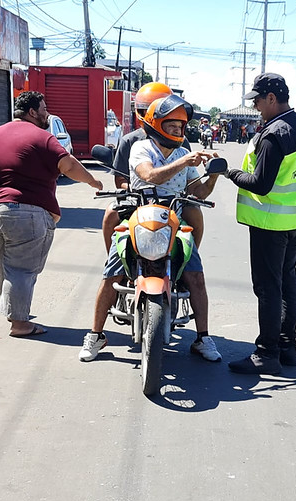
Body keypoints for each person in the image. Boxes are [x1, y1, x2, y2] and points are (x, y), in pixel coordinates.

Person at [81, 94, 221, 362]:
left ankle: (203, 337)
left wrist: (213, 173)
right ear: (156, 124)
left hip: (173, 223)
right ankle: (95, 334)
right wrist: (186, 161)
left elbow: (198, 192)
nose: (178, 130)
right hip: (138, 218)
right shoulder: (142, 149)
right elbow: (149, 176)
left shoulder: (182, 153)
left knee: (196, 275)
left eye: (181, 125)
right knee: (113, 273)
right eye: (172, 125)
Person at [0, 91, 104, 338]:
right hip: (24, 210)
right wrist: (92, 180)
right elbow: (68, 165)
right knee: (22, 268)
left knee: (4, 262)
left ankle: (14, 311)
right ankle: (20, 324)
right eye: (44, 109)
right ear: (32, 112)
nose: (47, 113)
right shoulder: (42, 137)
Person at [222, 73, 296, 375]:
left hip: (270, 221)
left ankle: (267, 353)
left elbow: (260, 184)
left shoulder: (275, 133)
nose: (256, 109)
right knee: (288, 282)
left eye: (258, 102)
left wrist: (229, 172)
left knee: (268, 287)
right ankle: (288, 347)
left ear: (272, 98)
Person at [101, 82, 203, 251]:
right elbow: (121, 180)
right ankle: (112, 263)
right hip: (138, 199)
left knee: (195, 213)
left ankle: (191, 257)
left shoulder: (180, 143)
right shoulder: (132, 141)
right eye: (146, 109)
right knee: (110, 213)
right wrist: (139, 188)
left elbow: (189, 178)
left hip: (173, 201)